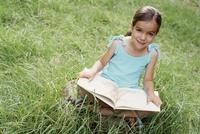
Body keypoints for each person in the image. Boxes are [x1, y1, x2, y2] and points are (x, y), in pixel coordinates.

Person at [78, 5, 162, 126]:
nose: (143, 37)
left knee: (149, 109)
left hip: (128, 90)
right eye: (139, 30)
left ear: (155, 35)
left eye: (150, 34)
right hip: (107, 83)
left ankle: (99, 110)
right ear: (132, 27)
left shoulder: (152, 53)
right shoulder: (118, 43)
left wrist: (151, 95)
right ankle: (122, 114)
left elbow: (148, 80)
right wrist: (92, 71)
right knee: (89, 91)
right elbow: (102, 62)